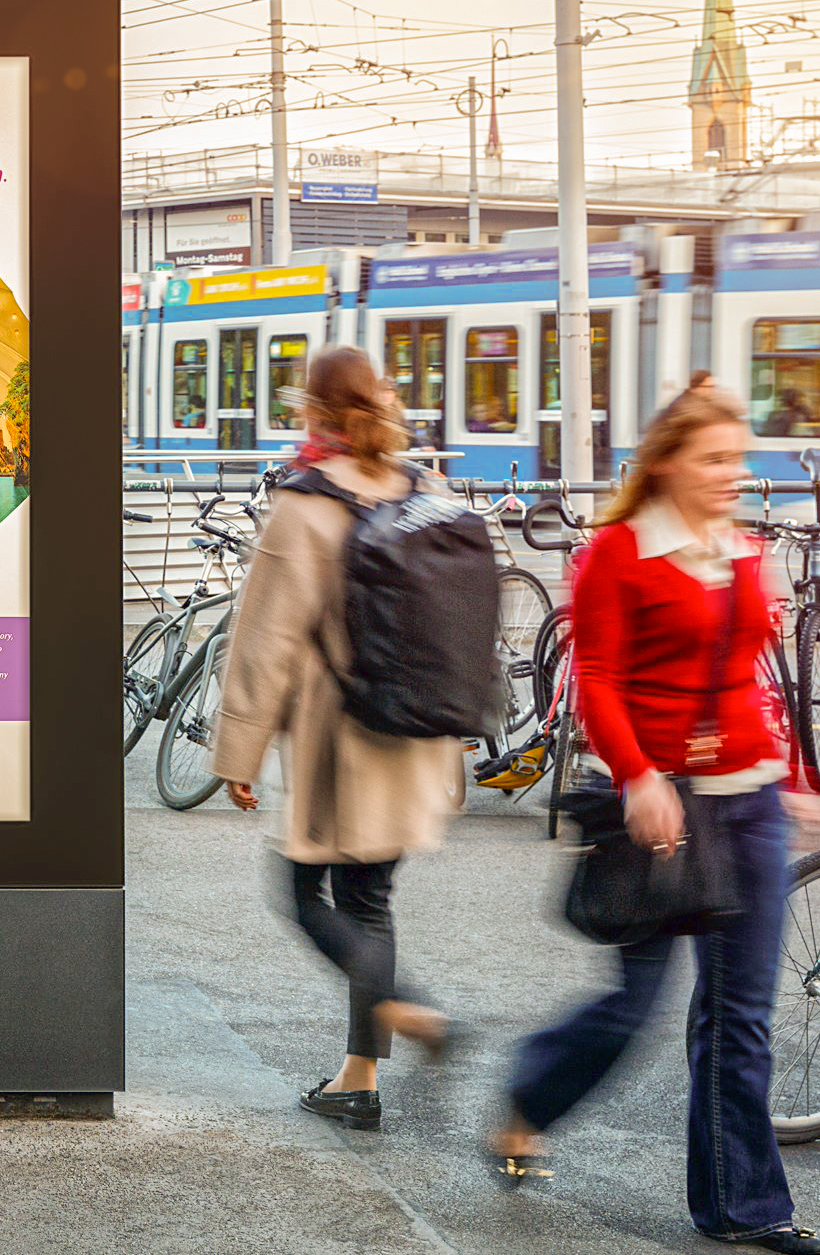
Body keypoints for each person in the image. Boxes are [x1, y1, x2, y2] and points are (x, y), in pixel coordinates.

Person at [491, 388, 820, 1255]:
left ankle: (744, 1208)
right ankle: (530, 1096)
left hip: (748, 798)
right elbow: (596, 678)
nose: (734, 474)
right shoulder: (620, 551)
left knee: (740, 1015)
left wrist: (794, 778)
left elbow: (762, 677)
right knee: (629, 1010)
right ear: (668, 461)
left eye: (739, 457)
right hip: (664, 804)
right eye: (716, 459)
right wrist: (641, 777)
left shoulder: (746, 550)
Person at [208, 346, 459, 1133]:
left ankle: (408, 1008)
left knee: (300, 896)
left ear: (310, 412)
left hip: (340, 746)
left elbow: (264, 646)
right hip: (417, 734)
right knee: (369, 902)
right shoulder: (425, 490)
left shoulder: (305, 505)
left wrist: (237, 755)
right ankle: (358, 1080)